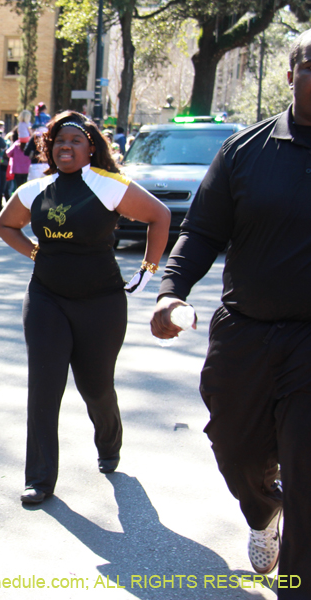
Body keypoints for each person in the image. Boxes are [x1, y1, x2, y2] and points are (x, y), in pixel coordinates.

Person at [150, 30, 311, 588]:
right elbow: (201, 232)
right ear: (290, 75)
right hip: (245, 333)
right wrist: (172, 291)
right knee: (236, 449)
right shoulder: (245, 151)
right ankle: (264, 510)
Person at [0, 111, 170, 505]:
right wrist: (35, 252)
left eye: (75, 141)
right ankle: (39, 478)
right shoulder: (36, 189)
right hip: (46, 299)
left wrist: (148, 269)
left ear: (91, 147)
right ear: (49, 149)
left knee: (96, 387)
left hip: (100, 303)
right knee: (44, 387)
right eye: (59, 141)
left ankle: (109, 442)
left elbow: (159, 216)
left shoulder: (108, 185)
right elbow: (5, 225)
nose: (66, 147)